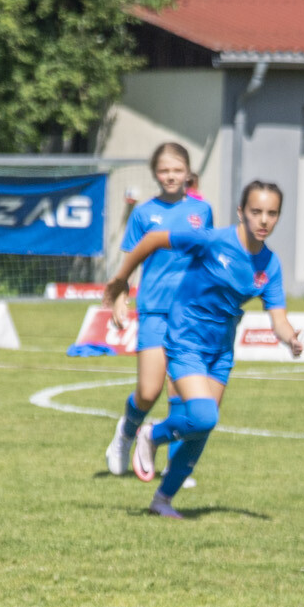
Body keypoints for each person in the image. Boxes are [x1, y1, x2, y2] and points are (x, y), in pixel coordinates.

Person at [104, 179, 304, 519]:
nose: (264, 220)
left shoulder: (270, 264)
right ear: (241, 212)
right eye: (256, 211)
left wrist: (290, 338)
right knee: (204, 415)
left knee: (200, 429)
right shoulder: (213, 240)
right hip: (185, 339)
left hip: (220, 350)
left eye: (272, 213)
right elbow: (153, 239)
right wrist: (121, 280)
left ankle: (162, 501)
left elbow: (279, 318)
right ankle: (150, 434)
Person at [103, 142, 212, 478]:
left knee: (181, 393)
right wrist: (119, 299)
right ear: (155, 173)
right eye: (164, 170)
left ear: (188, 172)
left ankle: (175, 470)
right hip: (153, 311)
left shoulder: (202, 211)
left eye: (177, 170)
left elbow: (207, 258)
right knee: (149, 392)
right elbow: (128, 263)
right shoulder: (143, 214)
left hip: (191, 314)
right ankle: (125, 433)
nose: (171, 176)